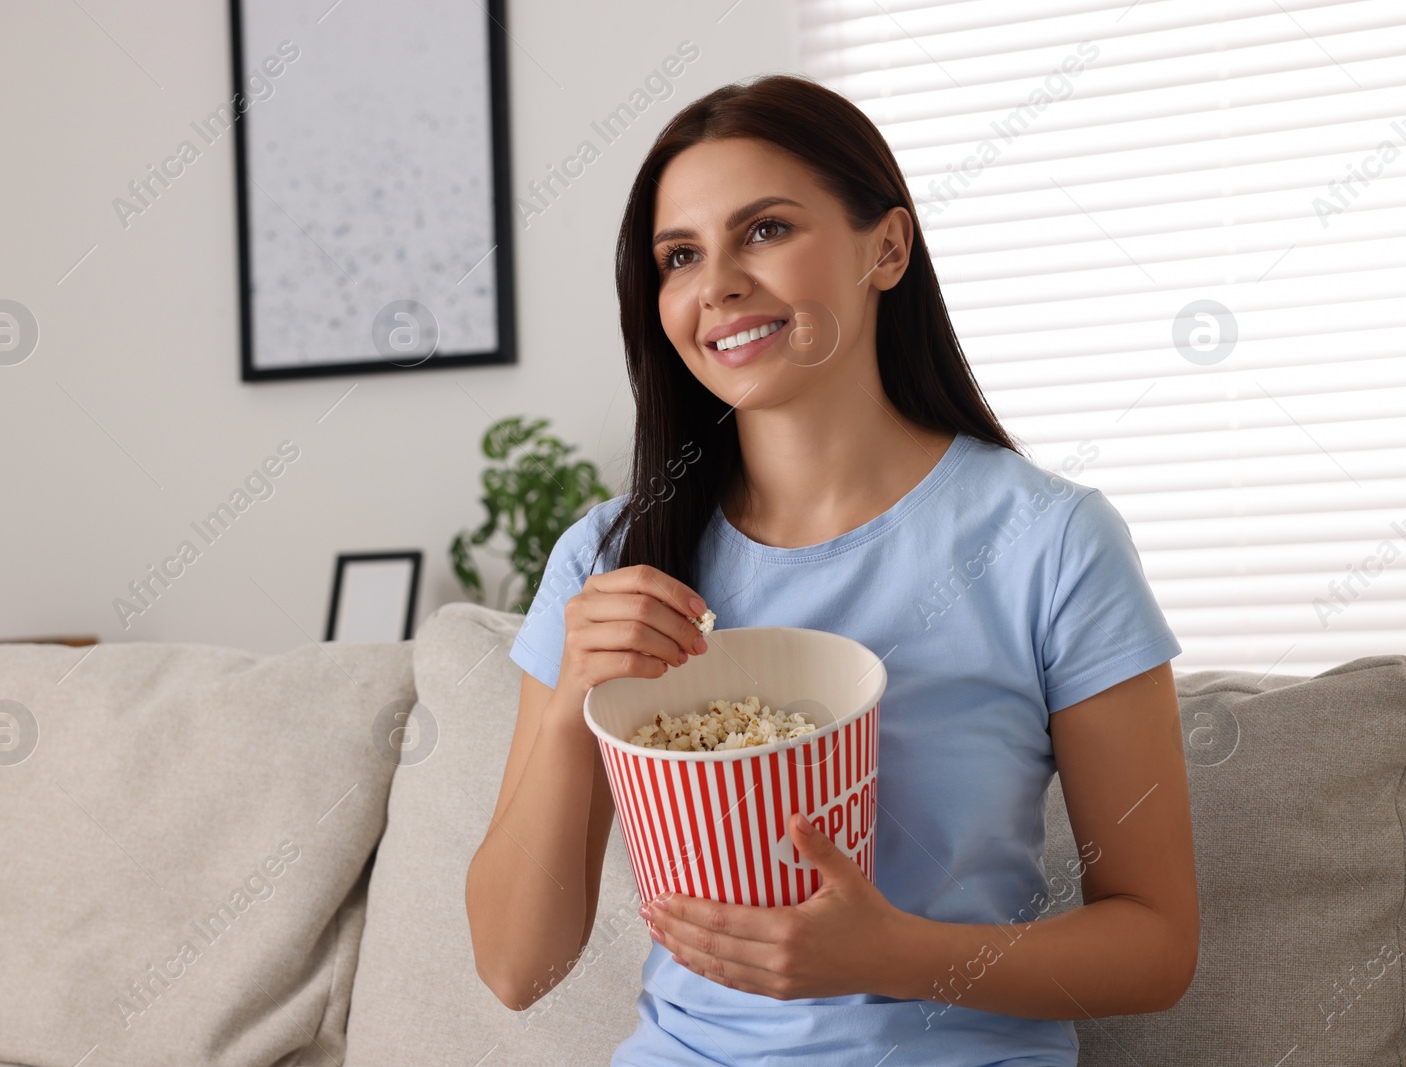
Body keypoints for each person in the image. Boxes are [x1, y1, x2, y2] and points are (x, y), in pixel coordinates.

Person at [466, 72, 1198, 1066]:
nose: (716, 282)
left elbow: (1155, 943)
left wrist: (898, 953)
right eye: (680, 255)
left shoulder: (1051, 540)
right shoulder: (608, 558)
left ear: (885, 248)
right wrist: (569, 708)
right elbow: (517, 966)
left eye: (763, 230)